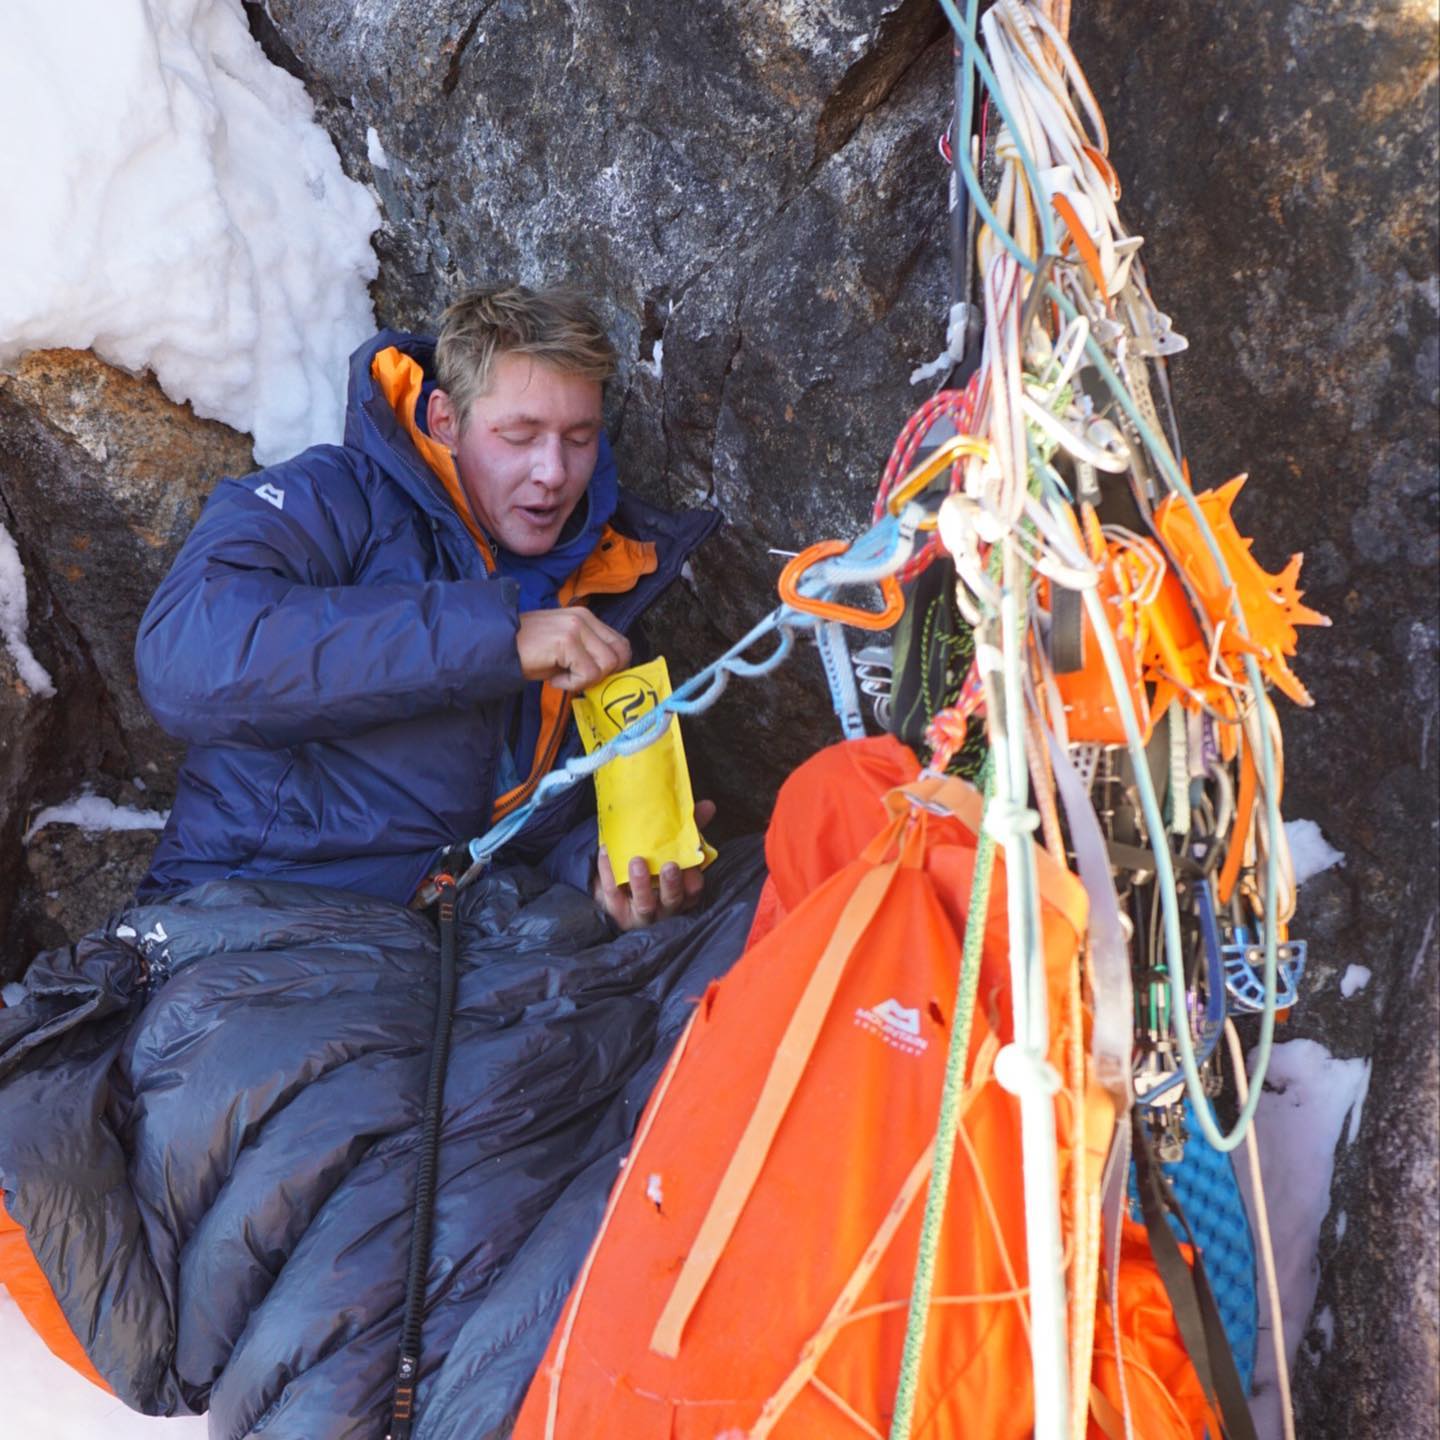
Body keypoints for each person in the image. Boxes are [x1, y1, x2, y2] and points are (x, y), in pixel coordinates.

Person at [134, 283, 716, 928]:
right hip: (251, 907)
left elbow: (518, 837)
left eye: (579, 439)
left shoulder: (606, 575)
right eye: (520, 436)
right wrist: (494, 641)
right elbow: (188, 659)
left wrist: (602, 878)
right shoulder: (334, 498)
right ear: (446, 421)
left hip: (445, 936)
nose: (554, 471)